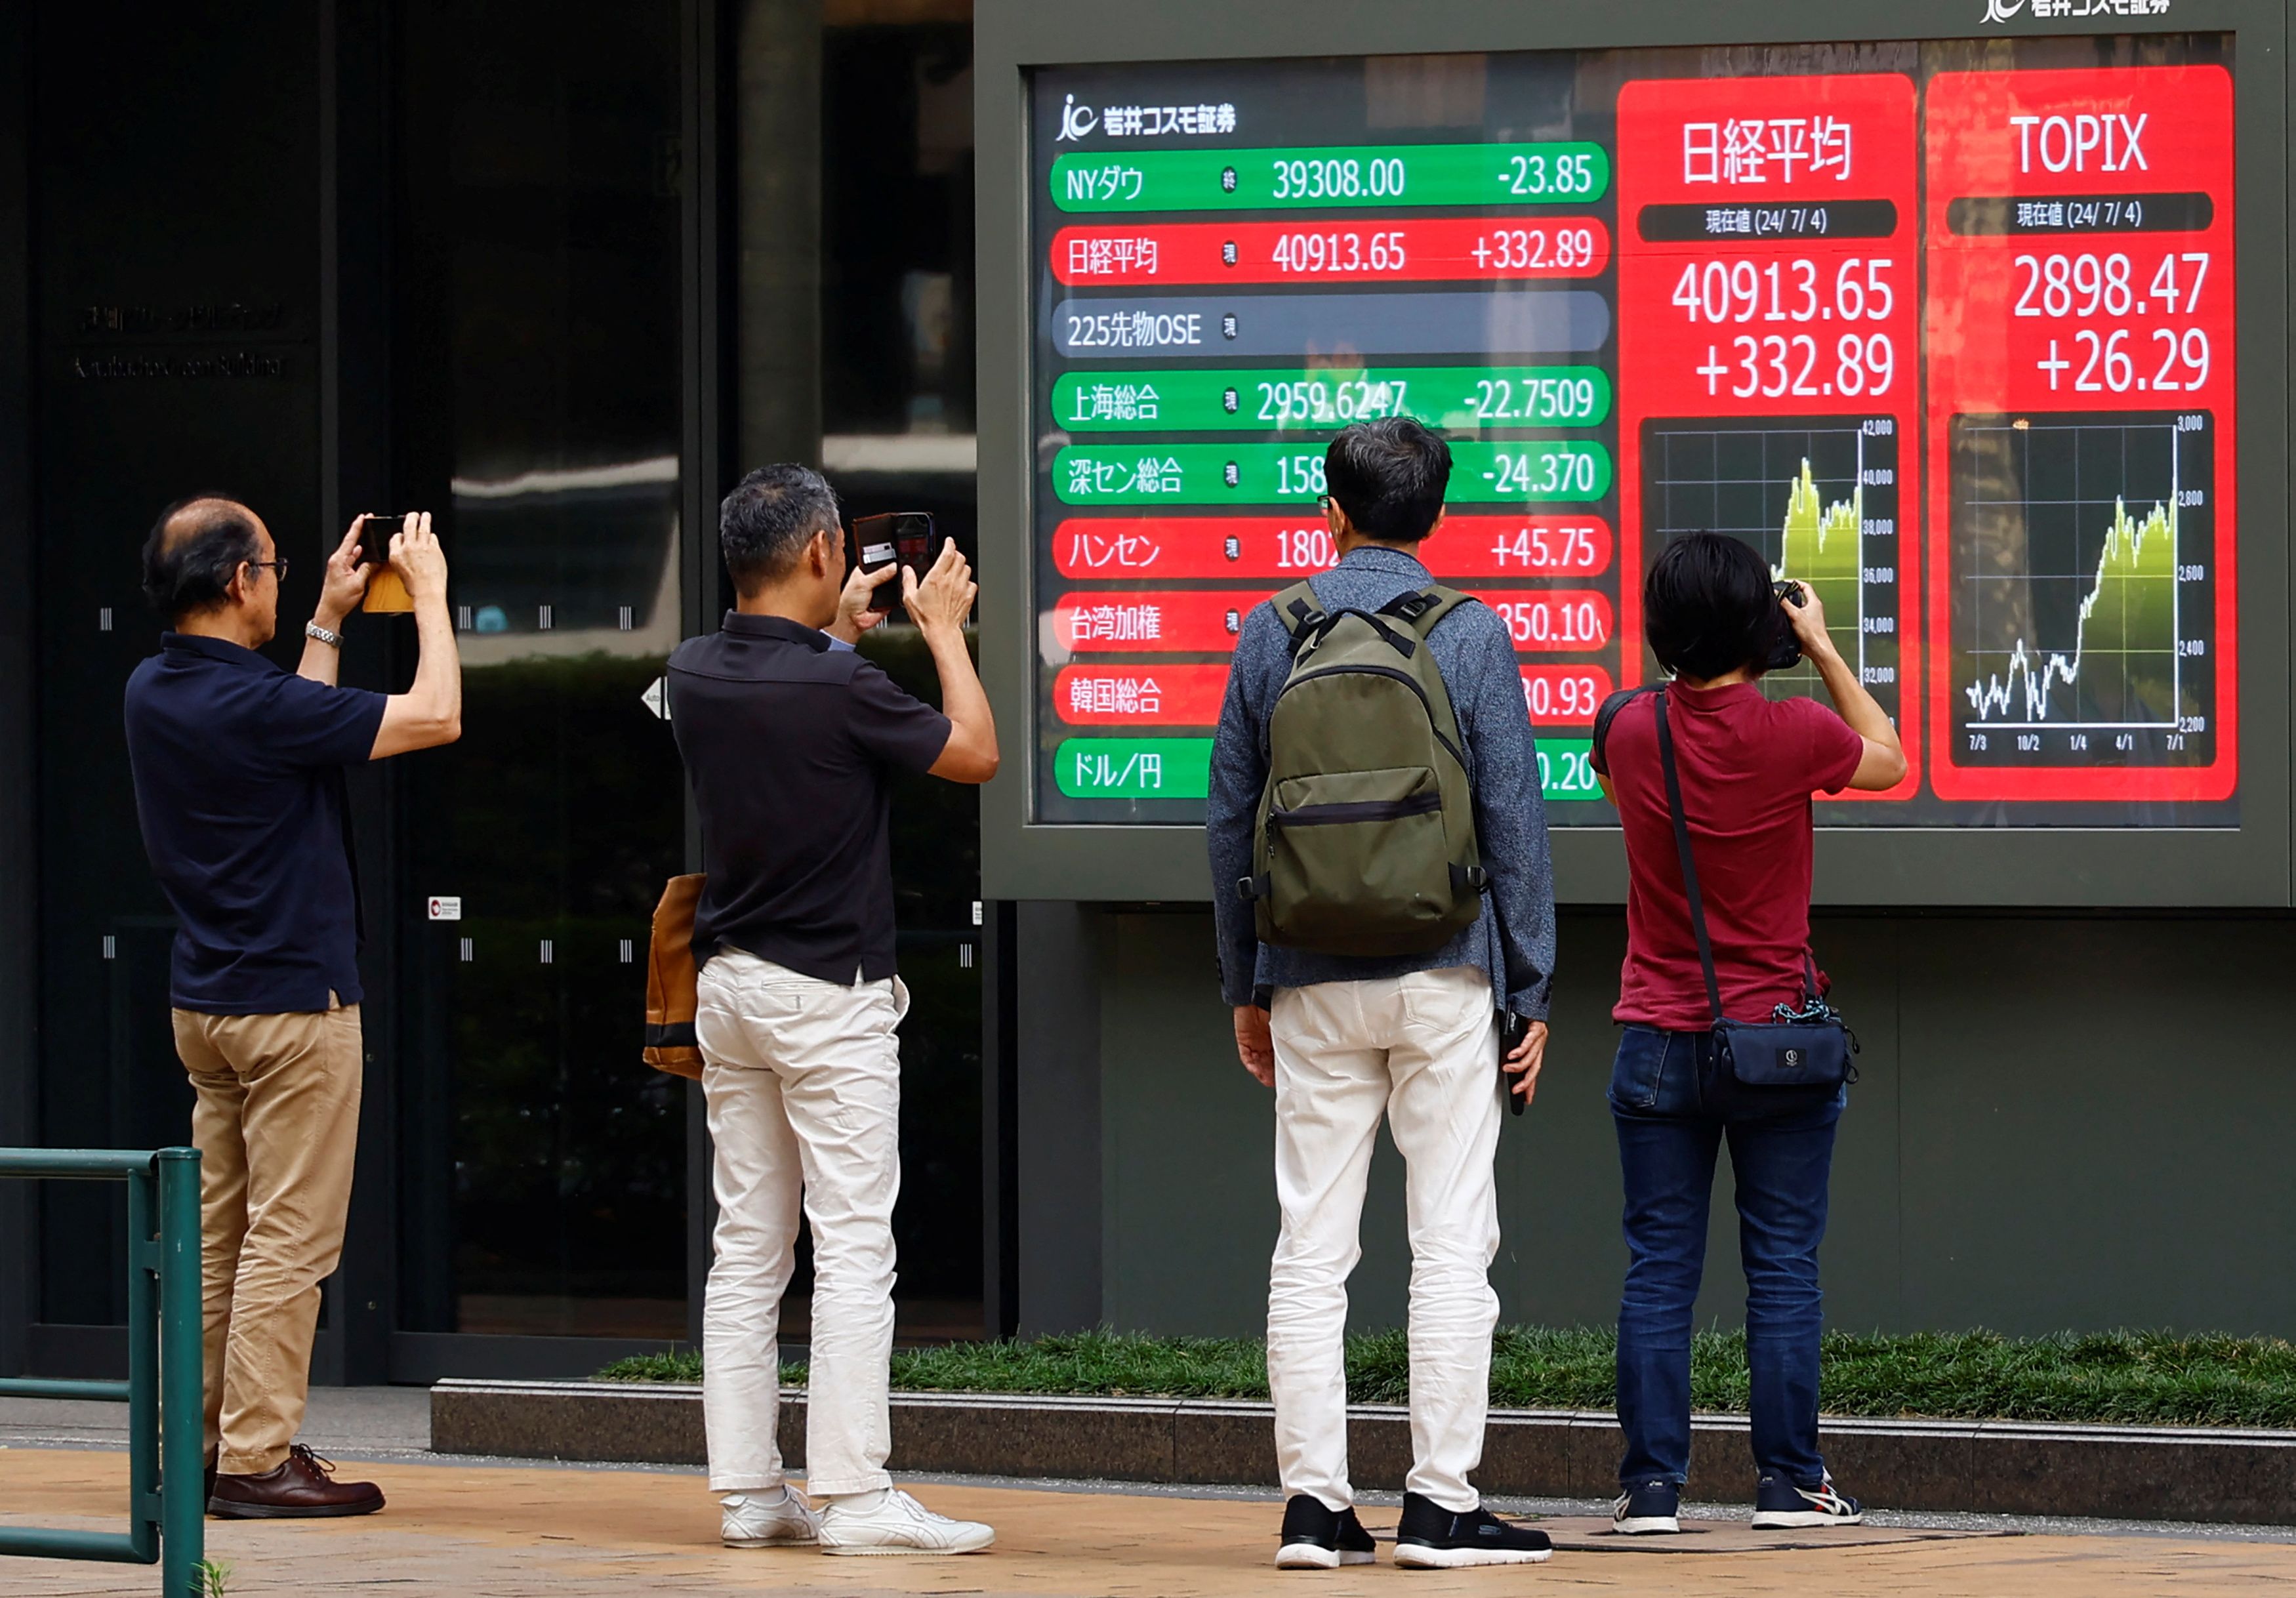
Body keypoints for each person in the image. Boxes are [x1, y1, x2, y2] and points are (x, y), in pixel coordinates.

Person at [1207, 419, 1558, 1570]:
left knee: (1311, 1248)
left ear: (1331, 512)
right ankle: (1441, 1506)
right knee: (1450, 1242)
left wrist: (1247, 984)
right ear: (1438, 517)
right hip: (1445, 969)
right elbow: (1513, 818)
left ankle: (1315, 1509)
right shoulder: (1470, 632)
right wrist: (1530, 986)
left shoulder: (1272, 630)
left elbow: (1229, 824)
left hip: (1308, 977)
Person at [670, 464, 998, 1557]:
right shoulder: (840, 685)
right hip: (828, 996)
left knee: (748, 1249)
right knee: (854, 1245)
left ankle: (751, 1494)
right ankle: (855, 1498)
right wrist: (942, 631)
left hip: (730, 990)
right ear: (821, 553)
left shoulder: (693, 669)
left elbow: (791, 703)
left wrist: (841, 633)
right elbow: (976, 753)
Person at [125, 501, 462, 1517]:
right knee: (291, 1241)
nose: (278, 577)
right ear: (239, 582)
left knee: (217, 1240)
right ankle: (257, 1460)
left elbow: (292, 730)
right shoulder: (260, 704)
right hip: (294, 1010)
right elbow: (436, 716)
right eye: (273, 566)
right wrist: (431, 598)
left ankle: (193, 1451)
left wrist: (327, 618)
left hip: (209, 1006)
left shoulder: (153, 689)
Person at [1591, 533, 1906, 1536]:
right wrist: (1820, 648)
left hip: (1657, 1040)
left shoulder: (1625, 729)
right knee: (1782, 1267)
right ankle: (1791, 1484)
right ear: (1760, 628)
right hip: (1778, 1042)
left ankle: (1650, 1489)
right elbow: (1891, 761)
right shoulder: (1799, 732)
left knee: (1658, 1270)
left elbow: (1624, 793)